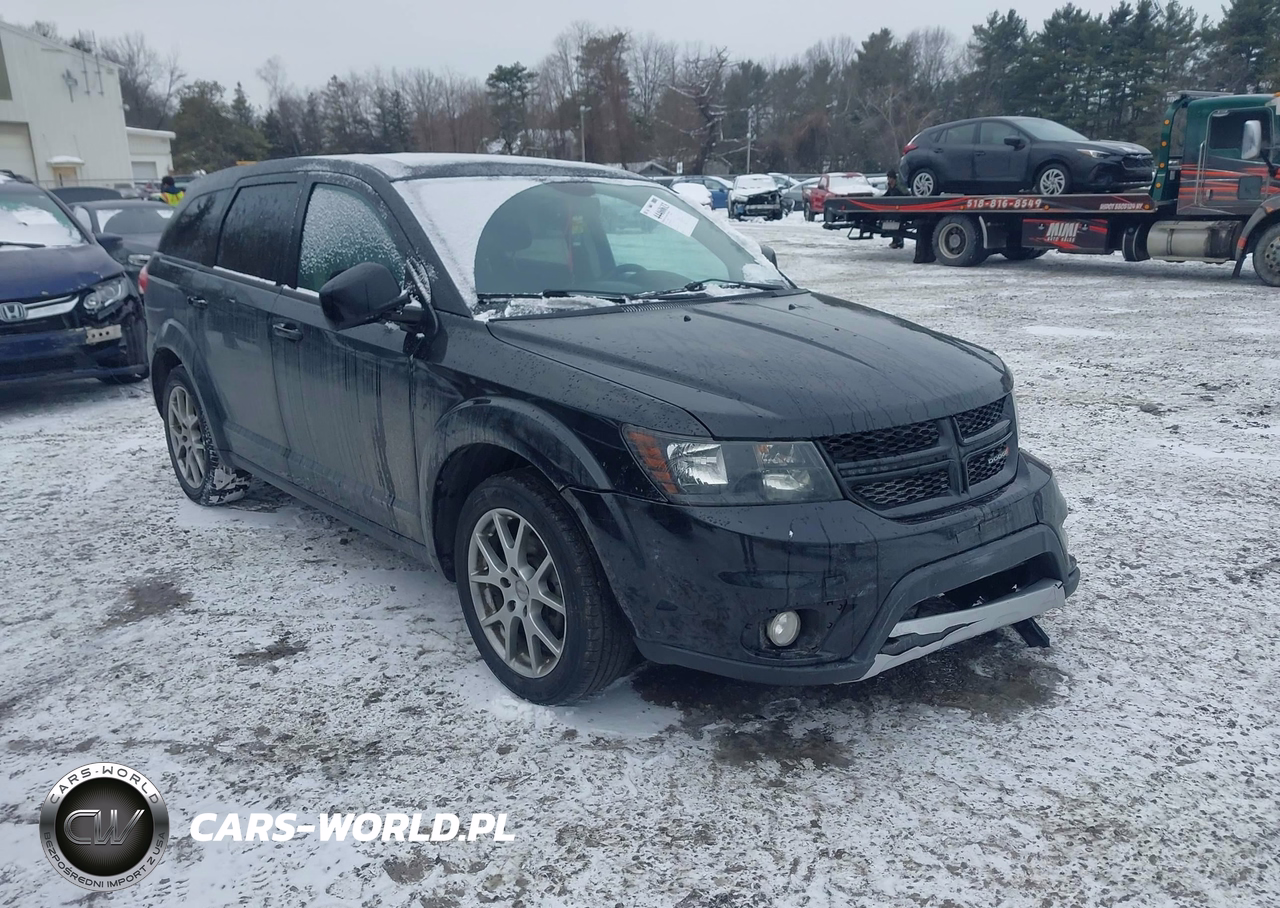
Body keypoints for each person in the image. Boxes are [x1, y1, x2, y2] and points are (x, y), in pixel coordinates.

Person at [883, 171, 906, 248]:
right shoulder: (890, 187)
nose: (888, 180)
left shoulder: (899, 187)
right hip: (893, 209)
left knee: (897, 224)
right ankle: (895, 241)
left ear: (893, 178)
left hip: (901, 209)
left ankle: (899, 241)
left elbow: (905, 194)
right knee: (892, 222)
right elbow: (887, 195)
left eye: (889, 178)